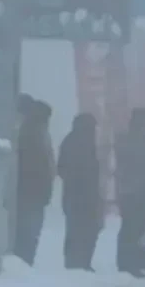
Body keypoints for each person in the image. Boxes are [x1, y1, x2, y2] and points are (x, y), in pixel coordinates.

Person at [115, 109, 145, 277]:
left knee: (142, 229)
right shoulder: (128, 141)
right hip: (131, 191)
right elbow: (133, 164)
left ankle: (141, 262)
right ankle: (126, 264)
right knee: (131, 228)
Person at [58, 113, 101, 271]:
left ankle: (77, 262)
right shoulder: (81, 143)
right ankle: (78, 263)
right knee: (82, 230)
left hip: (75, 195)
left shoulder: (72, 141)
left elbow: (61, 169)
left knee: (78, 230)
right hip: (81, 196)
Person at [14, 99, 54, 266]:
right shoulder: (34, 133)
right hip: (32, 192)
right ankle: (24, 263)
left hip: (31, 192)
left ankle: (24, 262)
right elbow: (40, 166)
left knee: (29, 232)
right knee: (29, 233)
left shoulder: (33, 132)